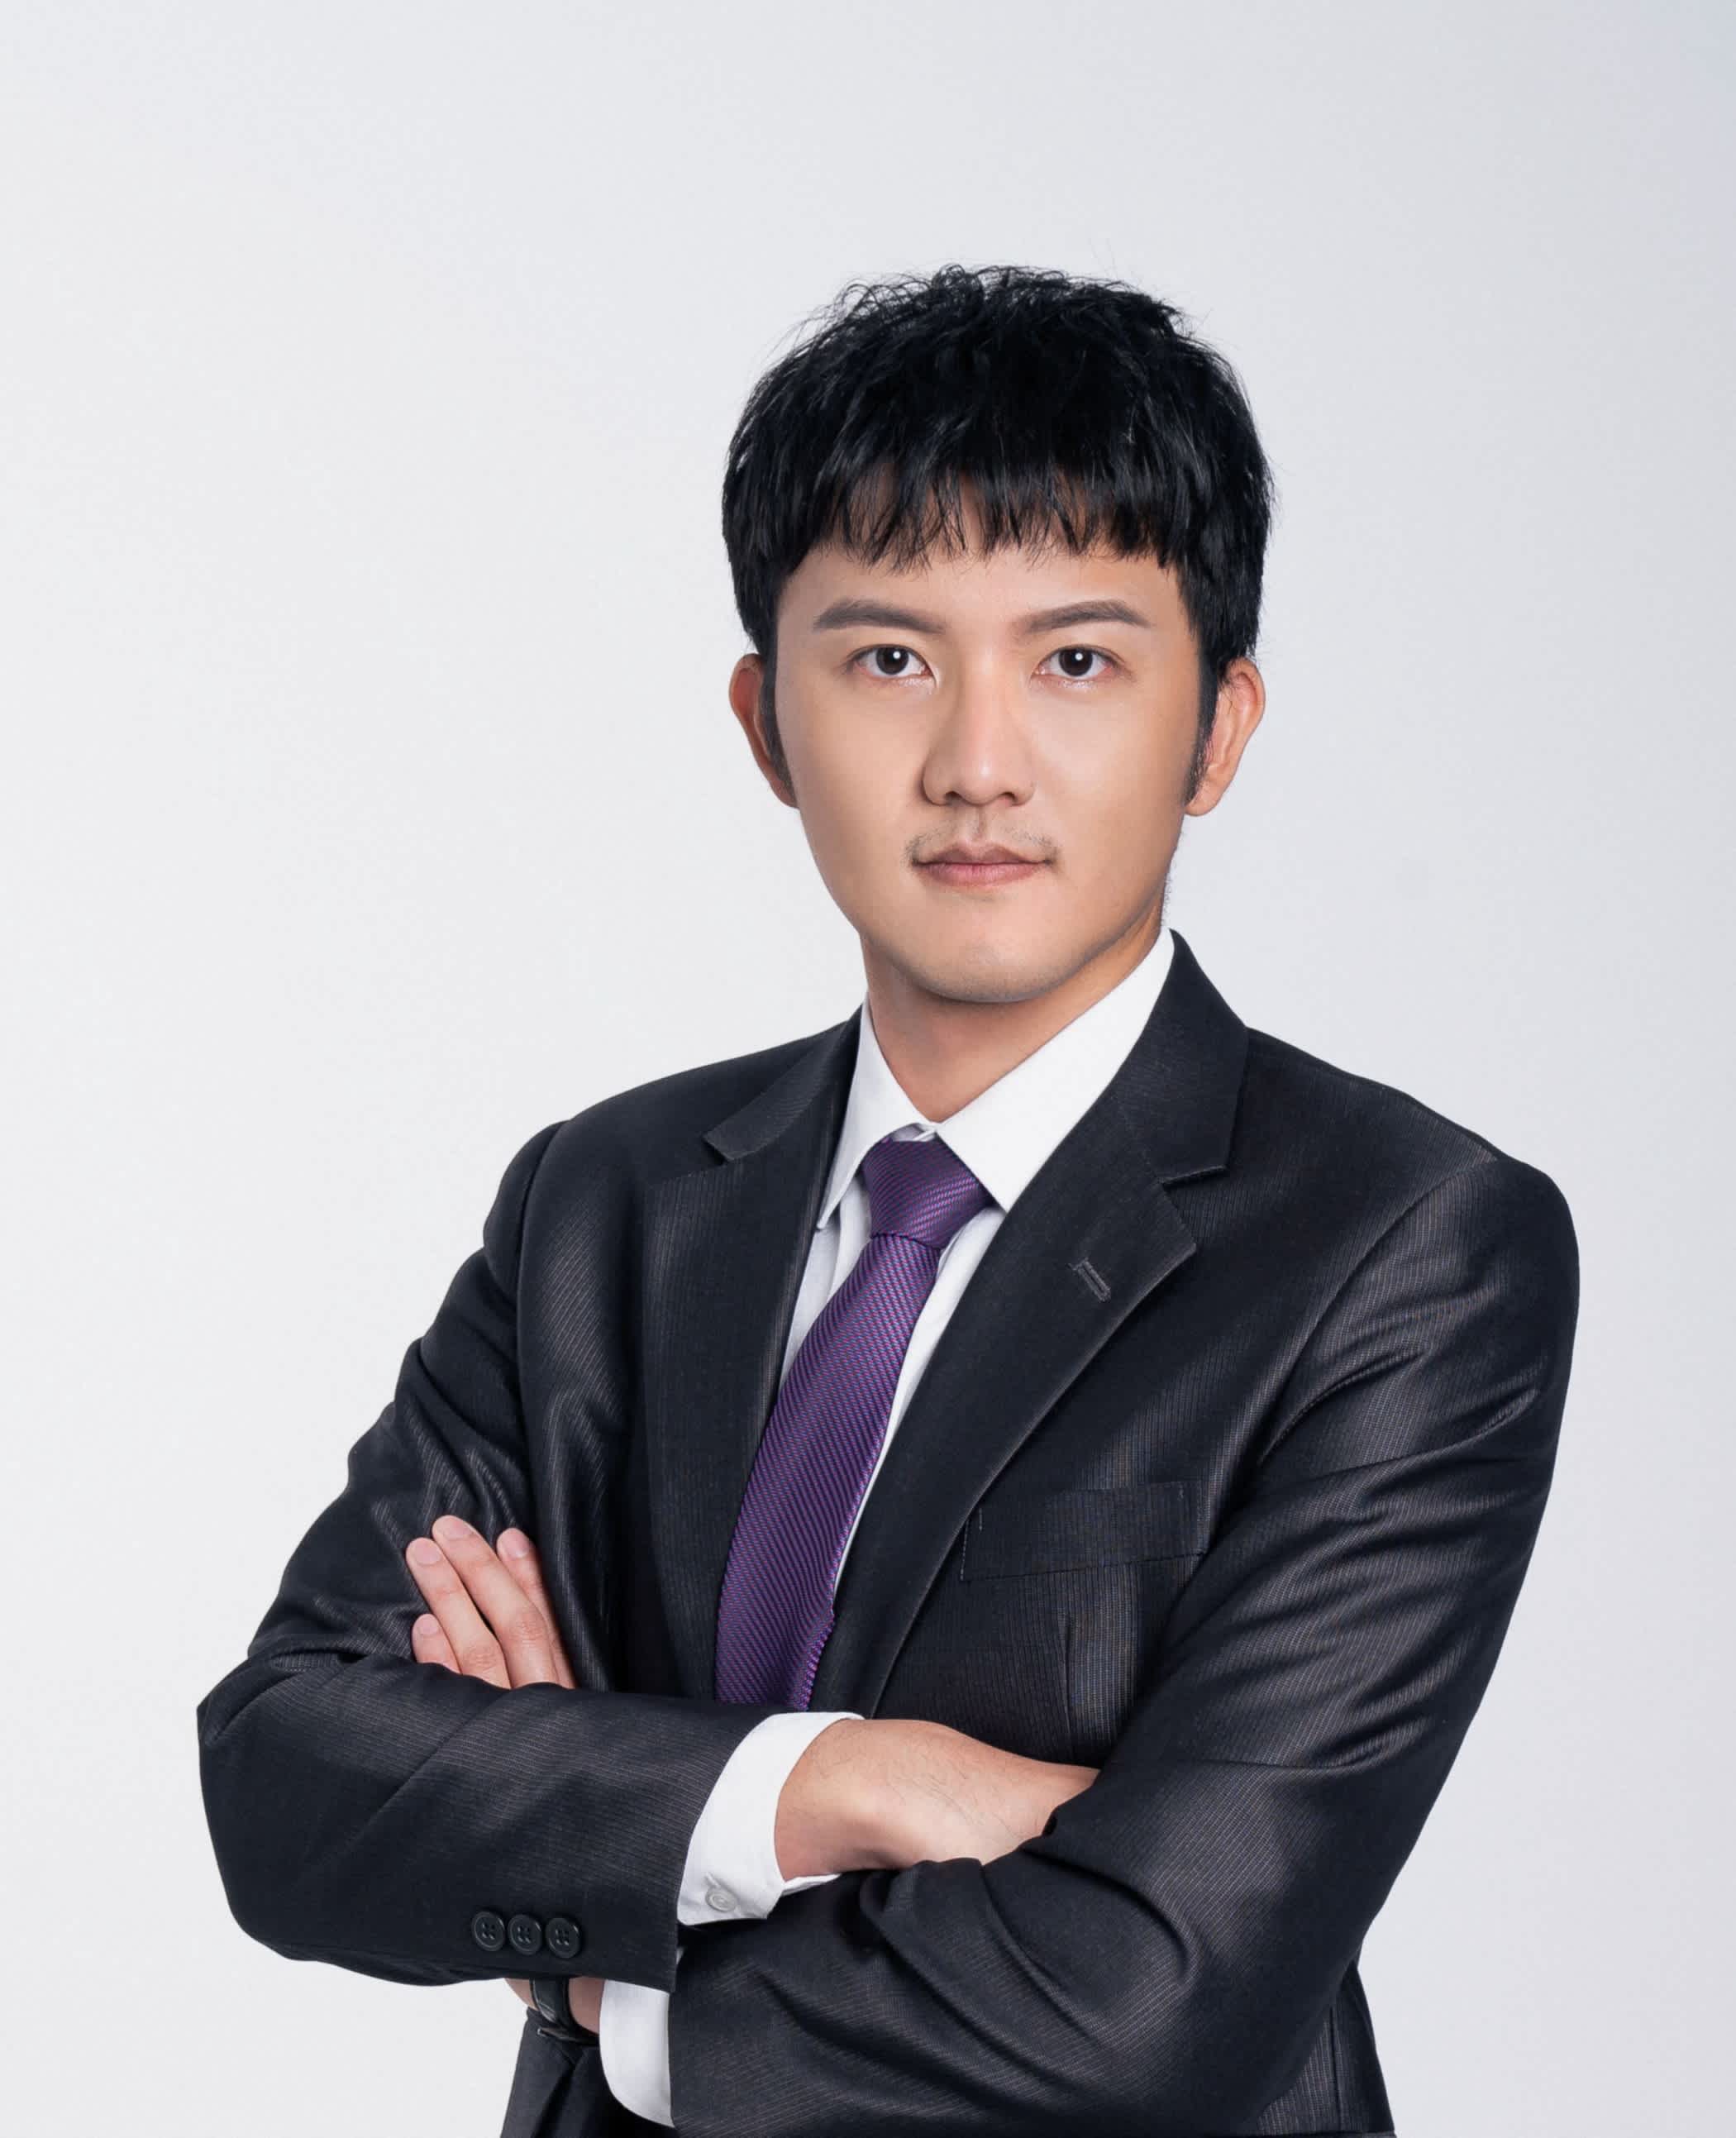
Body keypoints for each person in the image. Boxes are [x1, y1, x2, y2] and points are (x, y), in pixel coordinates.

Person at [195, 264, 1580, 2138]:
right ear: (767, 725)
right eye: (889, 660)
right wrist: (829, 1786)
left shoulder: (1407, 1248)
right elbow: (286, 1781)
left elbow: (1160, 2000)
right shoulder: (602, 1206)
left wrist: (606, 1920)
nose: (976, 765)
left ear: (1220, 726)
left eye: (1076, 662)